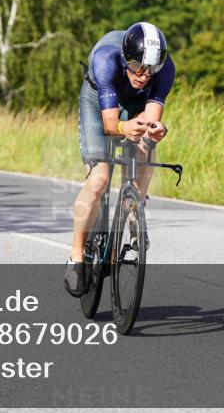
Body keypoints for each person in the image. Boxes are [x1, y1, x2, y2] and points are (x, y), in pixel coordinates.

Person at [65, 22, 175, 297]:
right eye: (138, 65)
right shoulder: (106, 60)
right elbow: (111, 124)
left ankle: (135, 209)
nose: (144, 74)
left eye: (151, 68)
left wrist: (155, 129)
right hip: (98, 102)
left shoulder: (165, 70)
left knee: (146, 143)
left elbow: (150, 119)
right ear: (126, 58)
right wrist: (126, 128)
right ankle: (76, 254)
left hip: (135, 104)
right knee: (99, 179)